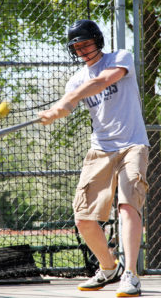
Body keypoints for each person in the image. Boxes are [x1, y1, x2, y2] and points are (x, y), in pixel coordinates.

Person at [38, 19, 149, 297]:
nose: (82, 51)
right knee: (84, 218)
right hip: (100, 148)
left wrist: (69, 100)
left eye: (86, 43)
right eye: (76, 47)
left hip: (132, 144)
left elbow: (103, 80)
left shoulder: (120, 58)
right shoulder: (75, 80)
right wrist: (56, 112)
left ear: (97, 40)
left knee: (127, 206)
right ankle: (108, 267)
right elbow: (71, 101)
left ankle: (131, 275)